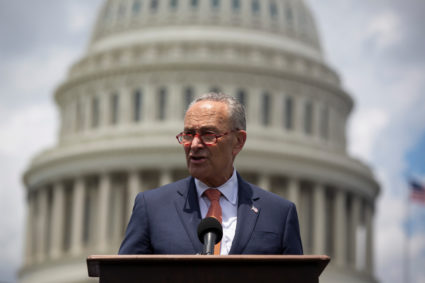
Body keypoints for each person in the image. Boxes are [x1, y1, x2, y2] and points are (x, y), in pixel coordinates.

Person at [119, 92, 303, 255]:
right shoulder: (152, 208)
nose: (194, 145)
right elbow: (123, 277)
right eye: (189, 134)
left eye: (208, 135)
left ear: (238, 141)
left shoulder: (278, 213)